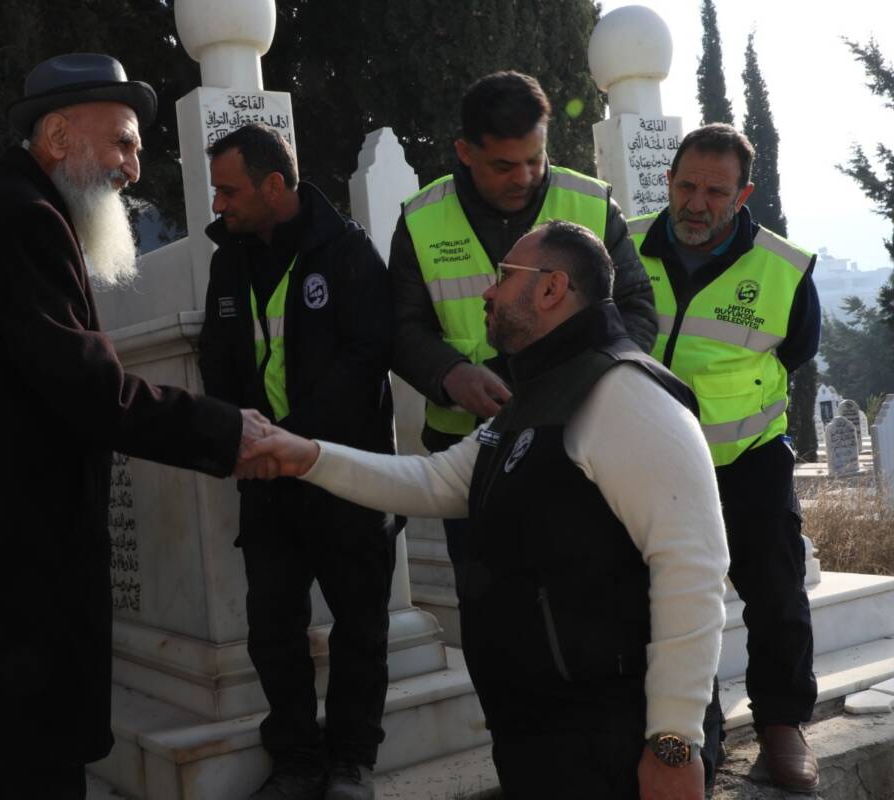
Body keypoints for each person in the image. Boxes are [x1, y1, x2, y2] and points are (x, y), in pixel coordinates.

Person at [0, 54, 267, 799]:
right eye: (122, 141)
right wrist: (230, 433)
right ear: (58, 135)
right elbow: (86, 388)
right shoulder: (23, 219)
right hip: (9, 590)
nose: (133, 167)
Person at [241, 220, 729, 800]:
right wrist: (308, 458)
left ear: (551, 289)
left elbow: (693, 570)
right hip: (542, 733)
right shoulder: (541, 394)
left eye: (504, 276)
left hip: (611, 737)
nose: (487, 292)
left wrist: (673, 744)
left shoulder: (627, 396)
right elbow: (436, 481)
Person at [388, 70, 657, 595]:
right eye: (504, 165)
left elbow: (637, 314)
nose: (525, 177)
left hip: (580, 441)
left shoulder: (591, 203)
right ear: (464, 151)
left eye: (536, 159)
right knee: (490, 608)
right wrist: (449, 374)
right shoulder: (421, 218)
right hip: (469, 446)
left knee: (592, 601)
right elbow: (400, 327)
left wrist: (569, 382)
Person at [197, 123, 398, 800]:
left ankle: (350, 761)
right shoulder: (229, 259)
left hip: (344, 474)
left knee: (360, 628)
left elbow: (367, 357)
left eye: (229, 190)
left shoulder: (345, 251)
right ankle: (296, 759)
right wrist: (237, 439)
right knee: (273, 629)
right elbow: (217, 361)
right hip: (265, 481)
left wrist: (296, 443)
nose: (218, 205)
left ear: (274, 185)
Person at [626, 123, 822, 793]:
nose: (696, 204)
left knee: (775, 593)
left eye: (715, 191)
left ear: (743, 195)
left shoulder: (785, 268)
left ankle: (781, 725)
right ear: (669, 182)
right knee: (669, 603)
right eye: (685, 186)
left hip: (749, 460)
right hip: (650, 463)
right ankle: (693, 739)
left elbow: (794, 351)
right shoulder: (623, 244)